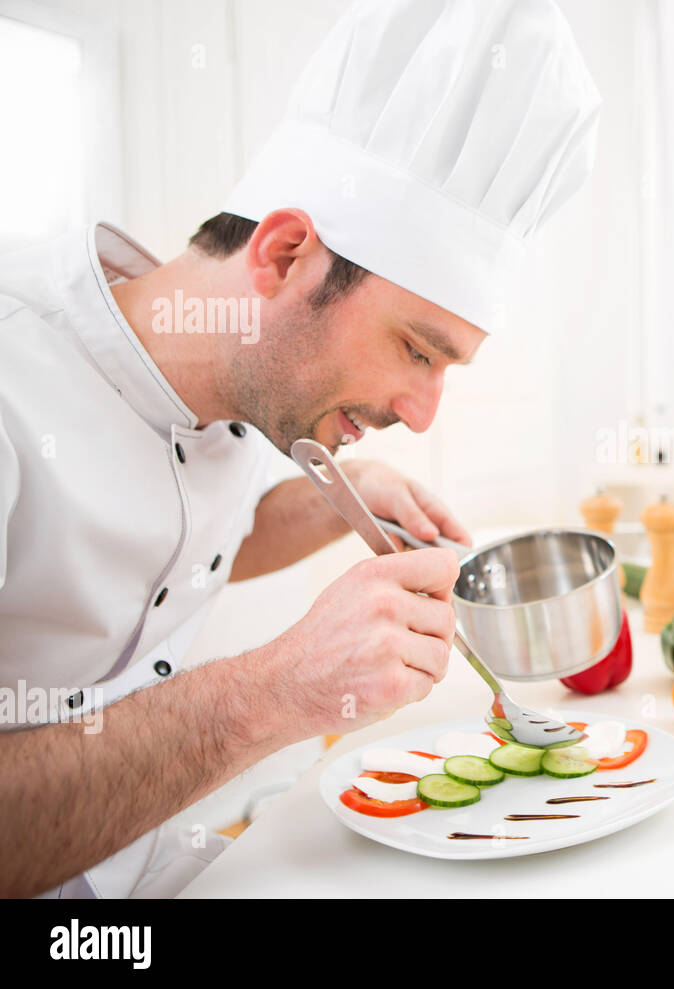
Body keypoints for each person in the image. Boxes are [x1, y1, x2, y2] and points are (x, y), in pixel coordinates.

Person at [0, 0, 600, 897]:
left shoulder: (244, 376)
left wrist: (333, 498)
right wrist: (275, 690)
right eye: (417, 349)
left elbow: (191, 546)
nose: (425, 411)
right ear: (283, 255)